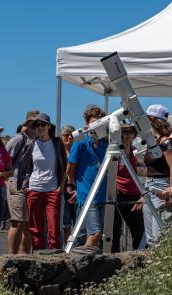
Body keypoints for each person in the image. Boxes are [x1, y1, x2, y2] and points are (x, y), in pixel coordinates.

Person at [22, 113, 67, 250]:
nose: (39, 127)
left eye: (42, 124)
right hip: (34, 189)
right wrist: (25, 186)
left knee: (54, 227)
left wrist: (60, 188)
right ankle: (38, 255)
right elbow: (24, 166)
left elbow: (65, 168)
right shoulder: (30, 144)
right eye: (36, 125)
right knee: (36, 228)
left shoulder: (57, 143)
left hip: (52, 190)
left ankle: (54, 256)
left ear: (48, 126)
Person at [67, 105, 108, 248]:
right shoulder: (80, 143)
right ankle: (84, 265)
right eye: (93, 122)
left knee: (90, 235)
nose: (96, 126)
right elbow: (70, 169)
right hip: (87, 195)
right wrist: (76, 187)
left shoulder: (106, 144)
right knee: (95, 233)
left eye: (100, 122)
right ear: (87, 124)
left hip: (103, 195)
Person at [142, 104, 172, 245]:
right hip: (150, 187)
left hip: (161, 187)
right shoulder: (154, 141)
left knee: (158, 236)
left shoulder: (165, 141)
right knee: (150, 237)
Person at [5, 110, 39, 254]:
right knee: (17, 221)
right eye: (33, 123)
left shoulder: (38, 140)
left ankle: (24, 256)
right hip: (16, 183)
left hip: (30, 184)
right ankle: (11, 256)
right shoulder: (19, 138)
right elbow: (6, 160)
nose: (35, 126)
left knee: (27, 223)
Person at [112, 124, 144, 253]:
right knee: (115, 231)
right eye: (124, 131)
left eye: (131, 131)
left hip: (135, 194)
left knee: (138, 231)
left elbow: (142, 172)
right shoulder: (114, 152)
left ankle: (138, 259)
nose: (128, 134)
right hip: (118, 193)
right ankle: (113, 261)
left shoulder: (136, 152)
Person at [60, 124, 77, 245]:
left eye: (71, 135)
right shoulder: (58, 153)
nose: (69, 138)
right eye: (66, 135)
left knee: (78, 223)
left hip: (76, 190)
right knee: (66, 224)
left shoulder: (78, 151)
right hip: (63, 191)